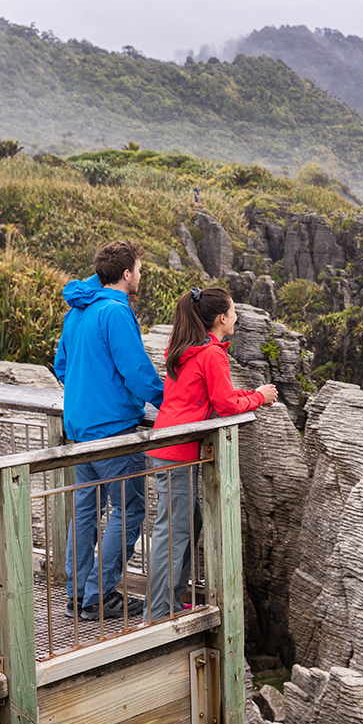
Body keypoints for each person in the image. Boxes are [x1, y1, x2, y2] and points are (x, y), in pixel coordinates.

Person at [144, 287, 277, 620]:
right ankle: (159, 612)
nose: (236, 317)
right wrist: (259, 397)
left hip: (170, 444)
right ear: (221, 318)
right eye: (233, 312)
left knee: (188, 522)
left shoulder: (189, 346)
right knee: (173, 531)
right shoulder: (211, 353)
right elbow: (227, 405)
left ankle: (170, 600)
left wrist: (250, 394)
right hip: (177, 450)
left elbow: (220, 395)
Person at [55, 240, 164, 620]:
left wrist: (88, 393)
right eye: (139, 269)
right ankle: (101, 596)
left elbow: (62, 367)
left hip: (80, 429)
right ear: (126, 274)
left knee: (86, 512)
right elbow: (137, 373)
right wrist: (169, 403)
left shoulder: (78, 311)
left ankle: (77, 596)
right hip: (114, 430)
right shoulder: (116, 312)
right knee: (129, 509)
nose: (140, 275)